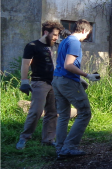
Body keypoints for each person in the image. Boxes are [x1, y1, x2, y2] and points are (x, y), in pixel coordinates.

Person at [53, 19, 100, 158]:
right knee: (85, 112)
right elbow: (68, 65)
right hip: (67, 82)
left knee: (64, 115)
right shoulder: (74, 42)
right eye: (88, 34)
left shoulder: (64, 41)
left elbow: (62, 65)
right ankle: (69, 147)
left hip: (57, 80)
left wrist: (79, 78)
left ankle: (60, 147)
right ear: (84, 31)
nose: (86, 37)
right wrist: (87, 75)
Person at [15, 21, 63, 150]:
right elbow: (25, 64)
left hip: (54, 83)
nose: (56, 38)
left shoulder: (54, 46)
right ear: (46, 32)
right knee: (35, 112)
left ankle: (48, 140)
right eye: (54, 35)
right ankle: (24, 138)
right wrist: (24, 81)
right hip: (39, 82)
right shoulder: (32, 46)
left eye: (57, 35)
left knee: (53, 112)